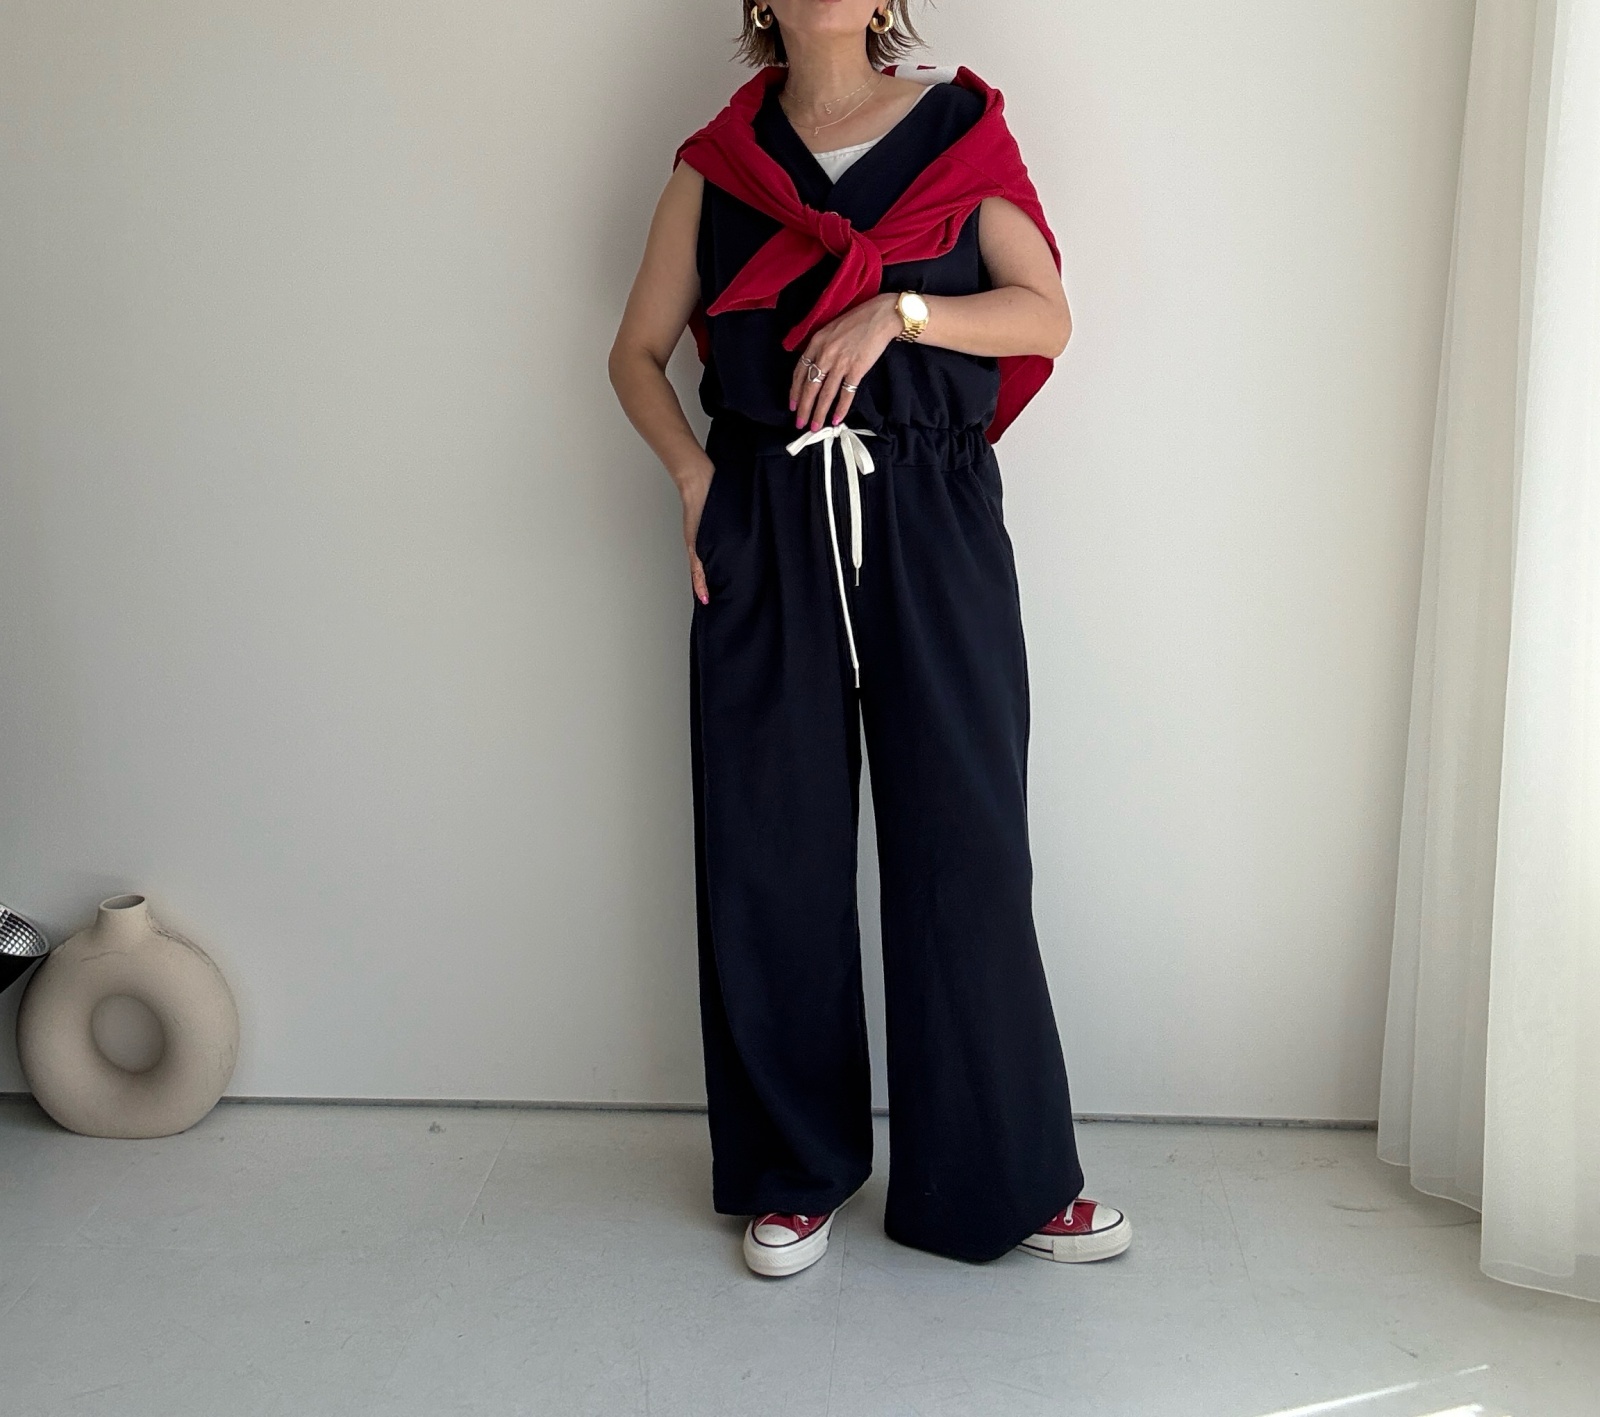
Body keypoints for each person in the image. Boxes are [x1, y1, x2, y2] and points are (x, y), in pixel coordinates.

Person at [608, 0, 1131, 1278]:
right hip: (765, 511)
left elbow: (1043, 316)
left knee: (967, 848)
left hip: (929, 513)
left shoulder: (958, 134)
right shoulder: (714, 167)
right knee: (768, 848)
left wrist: (898, 312)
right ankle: (794, 1170)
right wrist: (694, 480)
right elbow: (634, 354)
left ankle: (1002, 1177)